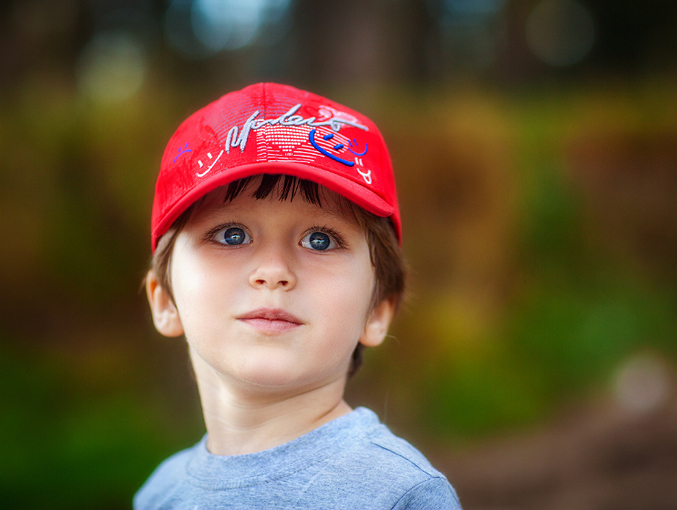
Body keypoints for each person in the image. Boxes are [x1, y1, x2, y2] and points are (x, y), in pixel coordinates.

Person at [134, 83, 461, 509]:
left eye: (320, 241)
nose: (274, 271)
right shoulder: (160, 494)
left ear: (377, 310)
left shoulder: (398, 495)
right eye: (232, 235)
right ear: (165, 301)